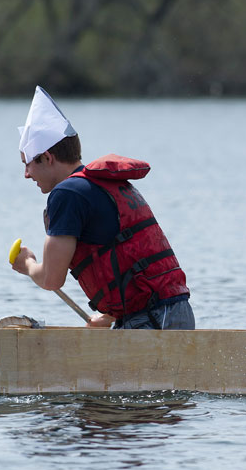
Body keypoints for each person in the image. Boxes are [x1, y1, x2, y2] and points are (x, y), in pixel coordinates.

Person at [10, 86, 193, 330]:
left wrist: (28, 264)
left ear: (47, 157)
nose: (26, 174)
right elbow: (126, 255)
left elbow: (51, 279)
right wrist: (108, 317)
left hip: (151, 320)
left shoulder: (66, 194)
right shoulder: (100, 184)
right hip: (173, 311)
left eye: (28, 164)